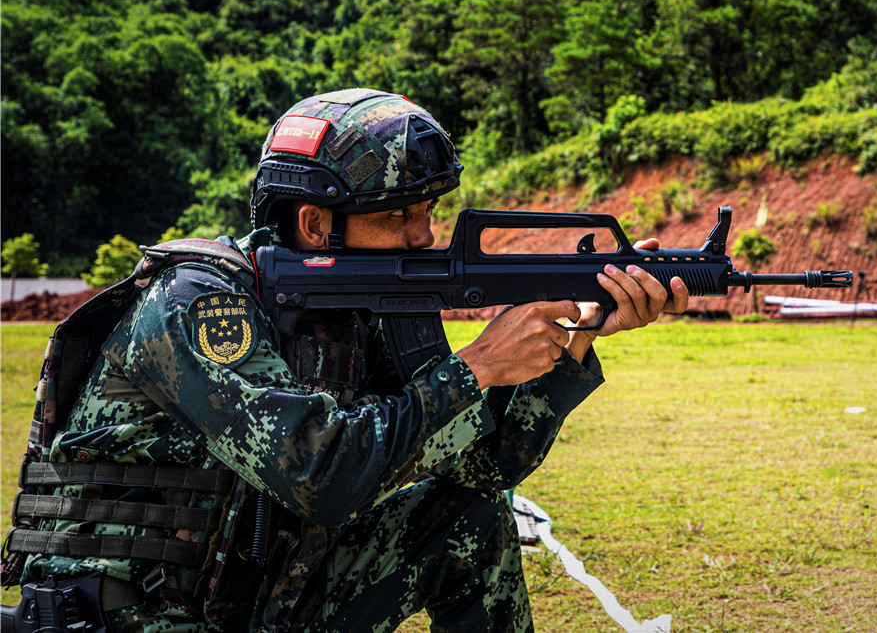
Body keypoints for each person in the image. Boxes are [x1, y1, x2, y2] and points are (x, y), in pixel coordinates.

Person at [3, 88, 689, 632]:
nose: (424, 237)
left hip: (248, 607)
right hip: (127, 617)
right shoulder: (198, 304)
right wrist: (476, 367)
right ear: (314, 224)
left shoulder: (358, 315)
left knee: (469, 522)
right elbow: (320, 475)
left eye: (429, 211)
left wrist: (575, 342)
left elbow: (482, 469)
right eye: (399, 217)